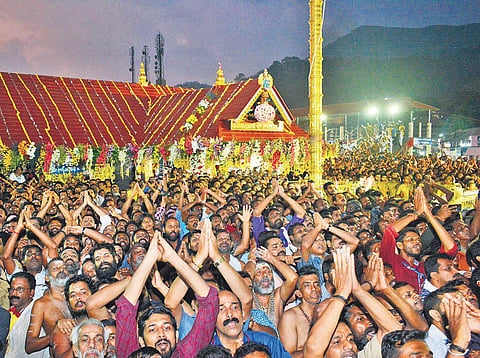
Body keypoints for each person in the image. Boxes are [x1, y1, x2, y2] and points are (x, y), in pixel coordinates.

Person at [115, 231, 219, 357]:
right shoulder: (133, 355)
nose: (161, 334)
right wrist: (150, 257)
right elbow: (125, 309)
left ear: (176, 335)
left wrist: (172, 257)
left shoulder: (186, 354)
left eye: (167, 327)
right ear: (141, 341)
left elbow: (210, 302)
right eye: (152, 329)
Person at [212, 290, 291, 357]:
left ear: (243, 315)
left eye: (235, 307)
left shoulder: (267, 342)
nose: (229, 314)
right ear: (212, 319)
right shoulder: (208, 349)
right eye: (221, 309)